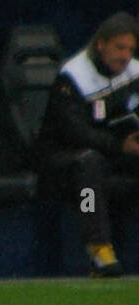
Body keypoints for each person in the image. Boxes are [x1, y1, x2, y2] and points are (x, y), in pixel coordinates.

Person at [35, 12, 139, 278]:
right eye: (119, 48)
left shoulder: (133, 73)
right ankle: (99, 248)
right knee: (88, 164)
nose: (125, 55)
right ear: (101, 45)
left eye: (130, 49)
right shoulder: (73, 77)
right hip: (63, 161)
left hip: (114, 153)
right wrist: (119, 147)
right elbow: (75, 132)